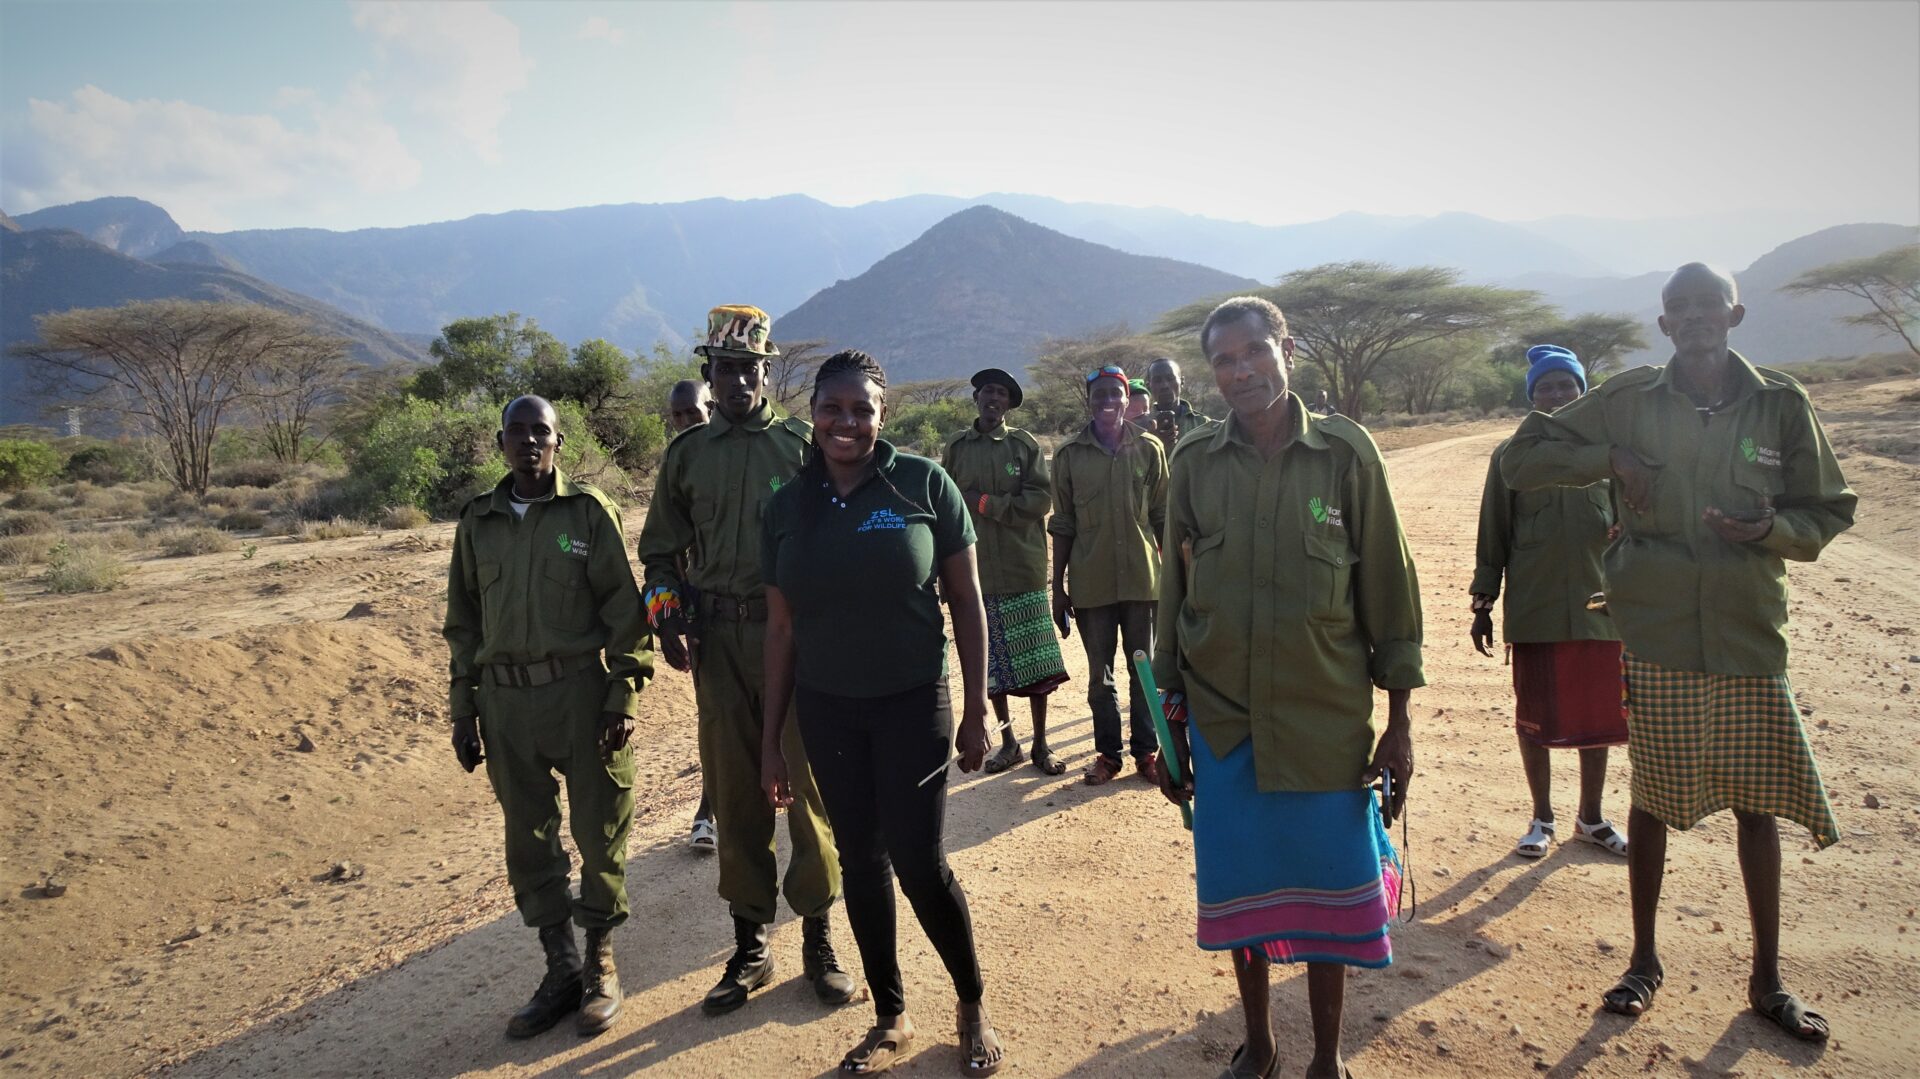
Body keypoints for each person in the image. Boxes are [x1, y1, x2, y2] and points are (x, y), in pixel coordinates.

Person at [1501, 263, 1853, 1042]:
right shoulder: (1628, 399)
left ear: (1734, 313)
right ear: (1664, 324)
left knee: (1756, 803)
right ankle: (1644, 961)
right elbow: (1521, 458)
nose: (1694, 318)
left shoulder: (1780, 403)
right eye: (1678, 308)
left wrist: (1771, 532)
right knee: (1654, 795)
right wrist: (1610, 458)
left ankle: (1766, 977)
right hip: (1655, 628)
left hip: (1747, 626)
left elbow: (1828, 508)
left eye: (1707, 305)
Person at [1157, 297, 1422, 1079]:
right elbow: (1174, 605)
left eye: (1253, 353)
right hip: (1224, 724)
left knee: (1327, 896)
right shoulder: (1195, 463)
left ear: (1288, 349)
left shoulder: (1346, 455)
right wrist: (1166, 728)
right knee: (1243, 891)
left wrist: (1399, 721)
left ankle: (1329, 1057)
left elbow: (1392, 595)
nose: (1240, 372)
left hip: (1323, 722)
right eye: (1224, 361)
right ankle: (1262, 1043)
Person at [761, 350, 1006, 1076]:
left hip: (911, 702)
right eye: (833, 408)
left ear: (883, 415)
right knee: (861, 865)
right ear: (812, 413)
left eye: (862, 408)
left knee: (920, 864)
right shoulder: (785, 505)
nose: (847, 422)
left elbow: (965, 601)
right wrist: (770, 741)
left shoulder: (923, 484)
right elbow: (780, 631)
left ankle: (970, 1003)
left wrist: (975, 709)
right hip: (828, 710)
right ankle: (891, 1016)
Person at [636, 304, 852, 1014]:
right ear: (710, 372)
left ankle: (819, 938)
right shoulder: (687, 456)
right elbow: (660, 553)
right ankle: (751, 945)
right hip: (721, 645)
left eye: (749, 368)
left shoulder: (800, 445)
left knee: (807, 788)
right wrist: (667, 620)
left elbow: (836, 533)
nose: (737, 380)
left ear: (767, 370)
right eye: (724, 368)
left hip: (798, 641)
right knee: (735, 793)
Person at [443, 395, 652, 1038]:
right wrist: (463, 709)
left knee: (599, 832)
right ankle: (559, 968)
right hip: (505, 703)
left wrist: (622, 696)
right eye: (518, 432)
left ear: (559, 443)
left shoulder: (589, 512)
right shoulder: (478, 520)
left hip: (580, 694)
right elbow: (463, 622)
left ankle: (599, 965)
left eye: (542, 432)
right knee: (529, 840)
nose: (529, 442)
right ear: (500, 442)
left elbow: (625, 610)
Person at [1470, 344, 1629, 860]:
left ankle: (1592, 817)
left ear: (1583, 392)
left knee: (1597, 718)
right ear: (1531, 396)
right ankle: (1541, 817)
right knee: (1534, 717)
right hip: (1536, 607)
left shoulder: (1611, 454)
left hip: (1602, 607)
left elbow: (1639, 526)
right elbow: (1493, 531)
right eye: (1546, 387)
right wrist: (1483, 600)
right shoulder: (1511, 456)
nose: (1557, 395)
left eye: (1567, 386)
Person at [942, 368, 1070, 775]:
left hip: (1021, 566)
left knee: (1037, 666)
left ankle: (1041, 744)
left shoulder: (1023, 445)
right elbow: (944, 505)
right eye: (987, 392)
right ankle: (1010, 742)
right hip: (975, 573)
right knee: (990, 665)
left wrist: (986, 505)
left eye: (1001, 394)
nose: (993, 399)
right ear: (976, 398)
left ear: (1008, 404)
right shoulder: (957, 447)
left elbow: (1039, 500)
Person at [1049, 364, 1169, 786]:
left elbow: (1161, 517)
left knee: (1146, 672)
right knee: (1101, 676)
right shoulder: (1068, 456)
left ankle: (1147, 753)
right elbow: (1062, 523)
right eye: (1098, 395)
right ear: (1090, 400)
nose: (1107, 403)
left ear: (1126, 398)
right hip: (1091, 584)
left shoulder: (1150, 449)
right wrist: (1058, 587)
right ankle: (1109, 755)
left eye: (1114, 395)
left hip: (1143, 580)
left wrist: (1176, 579)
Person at [665, 378, 721, 853]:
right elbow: (662, 553)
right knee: (714, 719)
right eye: (677, 416)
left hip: (769, 616)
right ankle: (708, 810)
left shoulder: (744, 453)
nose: (684, 423)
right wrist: (667, 619)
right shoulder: (675, 466)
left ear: (713, 408)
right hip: (704, 618)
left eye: (693, 413)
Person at [1140, 355, 1217, 445]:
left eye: (1170, 378)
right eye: (1157, 380)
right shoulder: (1139, 427)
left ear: (1182, 381)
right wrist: (1152, 443)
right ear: (1149, 386)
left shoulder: (1203, 424)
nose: (1165, 385)